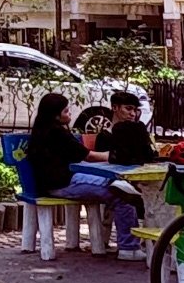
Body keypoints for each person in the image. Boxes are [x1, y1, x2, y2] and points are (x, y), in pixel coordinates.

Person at [27, 92, 143, 260]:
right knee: (122, 194)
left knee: (118, 185)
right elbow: (88, 156)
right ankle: (129, 248)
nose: (70, 114)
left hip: (63, 180)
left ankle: (126, 244)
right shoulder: (56, 134)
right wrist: (117, 156)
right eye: (66, 111)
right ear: (55, 115)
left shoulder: (44, 131)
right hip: (61, 185)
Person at [97, 90, 160, 166]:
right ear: (114, 107)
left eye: (135, 110)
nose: (133, 114)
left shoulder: (139, 130)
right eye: (128, 108)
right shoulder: (104, 137)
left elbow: (149, 156)